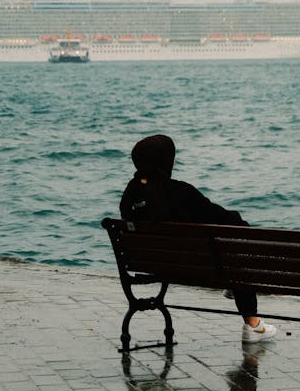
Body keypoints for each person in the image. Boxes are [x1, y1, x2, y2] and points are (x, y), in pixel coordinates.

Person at [119, 134, 277, 344]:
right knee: (237, 250)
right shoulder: (180, 192)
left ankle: (236, 291)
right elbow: (224, 219)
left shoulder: (130, 194)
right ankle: (253, 324)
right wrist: (240, 222)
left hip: (155, 265)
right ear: (166, 161)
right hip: (203, 268)